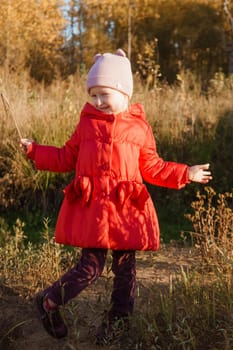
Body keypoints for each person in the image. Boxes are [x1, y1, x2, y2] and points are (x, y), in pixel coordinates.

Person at [20, 49, 212, 343]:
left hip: (124, 212)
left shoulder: (139, 128)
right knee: (90, 268)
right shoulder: (87, 125)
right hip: (94, 210)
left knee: (126, 272)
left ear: (123, 92)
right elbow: (65, 157)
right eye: (93, 95)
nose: (98, 101)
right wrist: (36, 151)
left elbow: (153, 167)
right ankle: (49, 302)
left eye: (104, 94)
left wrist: (186, 173)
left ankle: (117, 325)